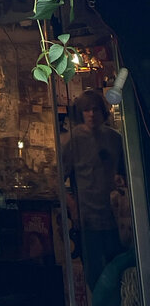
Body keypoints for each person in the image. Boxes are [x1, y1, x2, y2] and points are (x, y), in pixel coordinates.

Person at [62, 89, 125, 293]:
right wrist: (73, 207)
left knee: (118, 269)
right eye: (86, 110)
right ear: (81, 113)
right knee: (94, 273)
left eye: (95, 109)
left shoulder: (115, 138)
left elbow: (126, 174)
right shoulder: (73, 140)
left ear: (102, 112)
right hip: (87, 217)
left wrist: (119, 179)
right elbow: (58, 179)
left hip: (114, 216)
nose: (91, 114)